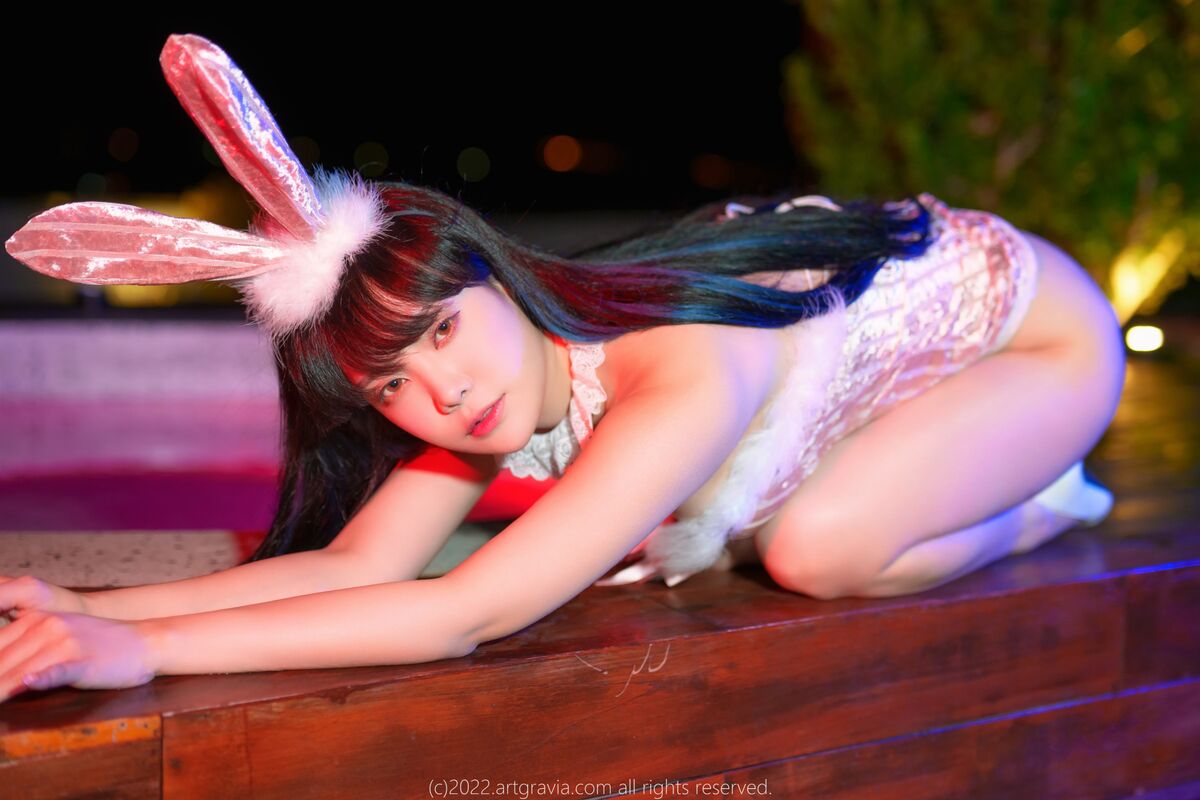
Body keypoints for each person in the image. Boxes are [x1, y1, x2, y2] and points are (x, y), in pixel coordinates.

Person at [0, 34, 1125, 702]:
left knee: (813, 547)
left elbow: (465, 610)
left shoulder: (673, 375)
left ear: (493, 270)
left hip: (1042, 334)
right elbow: (357, 562)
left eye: (442, 329)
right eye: (390, 384)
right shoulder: (502, 381)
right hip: (896, 351)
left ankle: (1047, 504)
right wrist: (91, 604)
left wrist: (146, 652)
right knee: (793, 528)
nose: (440, 394)